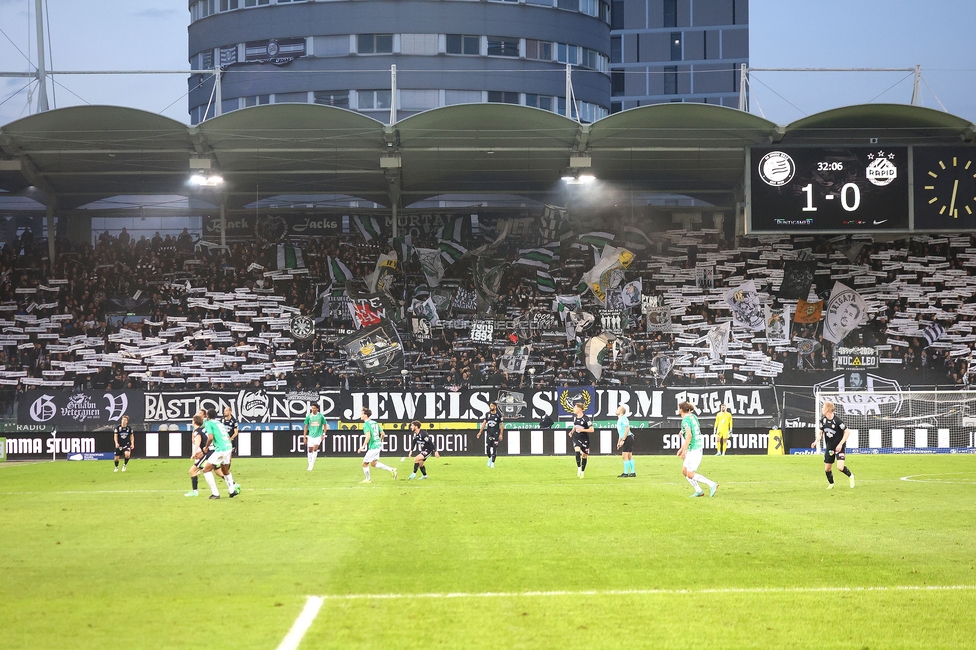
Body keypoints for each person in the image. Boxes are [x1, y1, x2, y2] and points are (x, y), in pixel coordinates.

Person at [676, 402, 718, 498]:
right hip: (695, 447)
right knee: (684, 471)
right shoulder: (693, 416)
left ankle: (712, 484)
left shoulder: (685, 420)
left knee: (690, 474)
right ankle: (699, 491)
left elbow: (689, 435)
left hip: (694, 449)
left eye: (679, 408)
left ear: (681, 410)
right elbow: (696, 428)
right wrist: (682, 447)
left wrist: (684, 450)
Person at [813, 401, 855, 490]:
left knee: (840, 467)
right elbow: (821, 432)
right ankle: (831, 484)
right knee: (827, 468)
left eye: (823, 407)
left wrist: (840, 444)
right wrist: (816, 441)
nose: (822, 409)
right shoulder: (823, 420)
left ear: (827, 409)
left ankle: (851, 476)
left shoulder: (837, 421)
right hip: (830, 447)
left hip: (839, 447)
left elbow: (847, 432)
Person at [201, 408, 241, 499]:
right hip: (228, 447)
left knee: (206, 470)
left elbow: (210, 437)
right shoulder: (220, 423)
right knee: (225, 471)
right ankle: (232, 490)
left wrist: (206, 447)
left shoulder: (208, 423)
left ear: (207, 416)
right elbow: (227, 435)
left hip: (221, 449)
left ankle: (215, 493)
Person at [358, 407, 397, 483]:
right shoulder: (375, 423)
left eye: (362, 414)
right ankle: (392, 469)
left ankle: (368, 479)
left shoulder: (366, 424)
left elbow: (368, 436)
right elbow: (383, 434)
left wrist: (362, 446)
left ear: (365, 415)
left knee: (364, 463)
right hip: (378, 445)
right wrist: (379, 440)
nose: (361, 415)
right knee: (373, 463)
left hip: (373, 446)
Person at [568, 402, 593, 478]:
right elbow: (575, 426)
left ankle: (582, 471)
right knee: (577, 450)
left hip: (585, 439)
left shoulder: (586, 418)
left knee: (584, 456)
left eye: (575, 408)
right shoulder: (575, 418)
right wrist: (572, 431)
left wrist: (583, 430)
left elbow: (592, 429)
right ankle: (579, 468)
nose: (574, 409)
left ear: (579, 409)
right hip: (576, 437)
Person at [185, 414, 208, 497]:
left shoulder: (197, 431)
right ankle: (233, 484)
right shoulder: (203, 429)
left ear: (194, 422)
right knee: (218, 472)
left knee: (192, 471)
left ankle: (195, 492)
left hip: (207, 455)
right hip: (210, 453)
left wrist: (194, 453)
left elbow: (198, 442)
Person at [476, 401, 504, 468]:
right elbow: (484, 423)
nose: (490, 407)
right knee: (488, 448)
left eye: (492, 406)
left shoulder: (498, 415)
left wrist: (501, 434)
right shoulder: (487, 414)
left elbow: (502, 425)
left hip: (496, 434)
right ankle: (489, 458)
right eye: (490, 406)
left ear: (495, 407)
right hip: (489, 434)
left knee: (494, 448)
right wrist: (480, 432)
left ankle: (493, 463)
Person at [303, 403, 328, 471]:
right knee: (310, 450)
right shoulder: (309, 416)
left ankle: (311, 465)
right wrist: (304, 437)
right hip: (311, 435)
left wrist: (323, 434)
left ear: (317, 409)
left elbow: (325, 425)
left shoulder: (321, 416)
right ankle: (309, 464)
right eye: (312, 408)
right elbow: (306, 426)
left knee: (315, 448)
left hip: (318, 436)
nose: (313, 409)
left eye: (314, 408)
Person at [615, 405, 635, 477]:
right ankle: (633, 472)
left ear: (621, 411)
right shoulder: (620, 419)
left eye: (618, 409)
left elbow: (627, 429)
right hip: (627, 438)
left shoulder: (624, 418)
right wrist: (619, 441)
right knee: (629, 455)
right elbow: (621, 432)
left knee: (624, 455)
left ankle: (625, 473)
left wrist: (623, 440)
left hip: (628, 438)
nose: (616, 410)